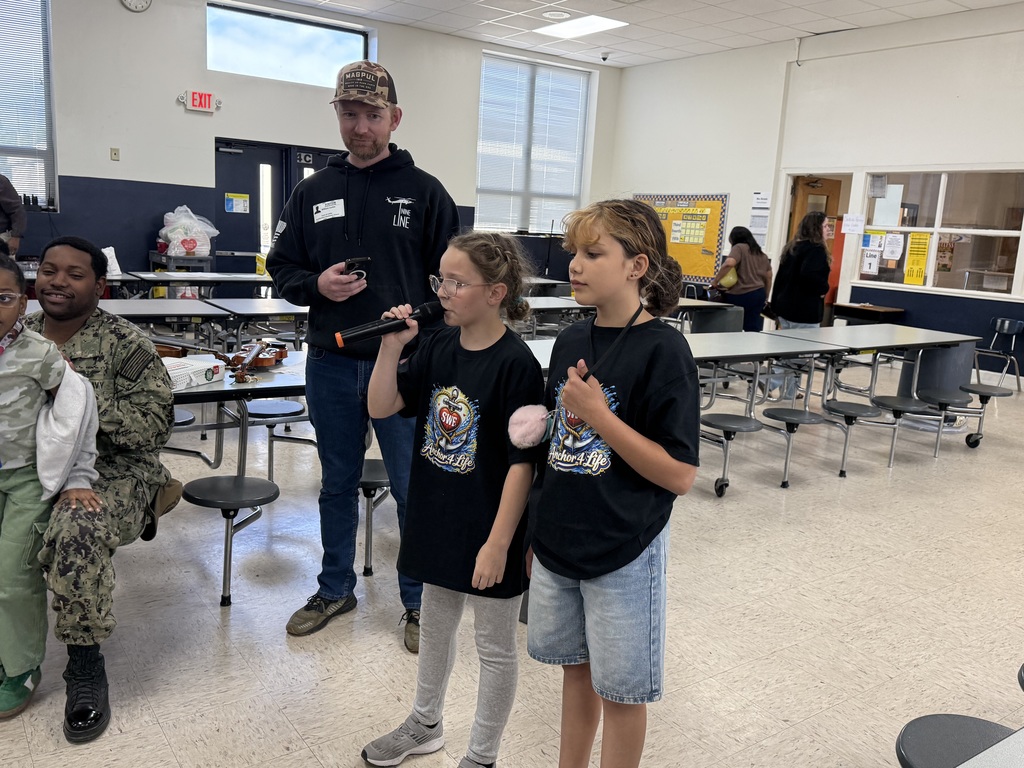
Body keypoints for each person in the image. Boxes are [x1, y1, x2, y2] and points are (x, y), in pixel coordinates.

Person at [266, 60, 460, 651]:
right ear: (337, 116)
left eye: (372, 115)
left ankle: (418, 601)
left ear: (394, 118)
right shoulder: (310, 191)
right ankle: (334, 589)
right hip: (330, 362)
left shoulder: (427, 193)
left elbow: (453, 285)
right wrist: (316, 286)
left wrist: (419, 324)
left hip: (403, 365)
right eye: (349, 114)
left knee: (411, 486)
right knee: (336, 483)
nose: (360, 127)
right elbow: (281, 267)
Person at [527, 199, 700, 768]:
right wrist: (535, 532)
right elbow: (555, 447)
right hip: (560, 542)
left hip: (625, 548)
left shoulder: (665, 350)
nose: (574, 265)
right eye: (573, 252)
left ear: (636, 266)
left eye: (593, 253)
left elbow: (680, 474)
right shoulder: (570, 341)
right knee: (575, 673)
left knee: (622, 693)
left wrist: (601, 417)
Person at [361, 231, 544, 768]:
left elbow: (523, 463)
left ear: (496, 293)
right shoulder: (439, 345)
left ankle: (482, 756)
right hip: (436, 518)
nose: (442, 291)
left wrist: (498, 544)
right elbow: (381, 406)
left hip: (491, 529)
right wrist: (391, 347)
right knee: (436, 628)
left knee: (494, 647)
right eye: (440, 279)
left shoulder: (516, 365)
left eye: (457, 283)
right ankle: (425, 724)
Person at [26, 236, 180, 744]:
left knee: (78, 528)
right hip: (30, 462)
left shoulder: (125, 344)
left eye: (75, 274)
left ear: (99, 285)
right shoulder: (18, 333)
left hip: (115, 469)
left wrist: (74, 401)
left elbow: (154, 427)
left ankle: (85, 665)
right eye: (49, 270)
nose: (58, 282)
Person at [0, 251, 100, 720]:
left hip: (25, 480)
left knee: (13, 576)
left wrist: (77, 475)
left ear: (23, 303)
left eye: (3, 298)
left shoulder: (38, 354)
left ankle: (20, 668)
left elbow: (79, 412)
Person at [768, 211, 832, 398]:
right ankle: (770, 382)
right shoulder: (816, 250)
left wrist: (775, 305)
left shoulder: (792, 247)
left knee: (789, 350)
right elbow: (809, 275)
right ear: (816, 228)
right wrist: (823, 288)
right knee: (801, 355)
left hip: (785, 308)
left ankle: (790, 392)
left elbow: (780, 279)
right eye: (825, 226)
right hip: (803, 310)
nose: (828, 229)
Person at [710, 225, 772, 332]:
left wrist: (715, 281)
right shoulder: (761, 253)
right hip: (758, 294)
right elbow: (769, 277)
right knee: (752, 328)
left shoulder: (739, 248)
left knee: (733, 326)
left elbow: (729, 263)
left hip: (740, 294)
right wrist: (766, 295)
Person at [0, 174, 28, 257]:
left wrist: (16, 237)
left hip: (2, 237)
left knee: (4, 265)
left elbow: (17, 210)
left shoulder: (1, 181)